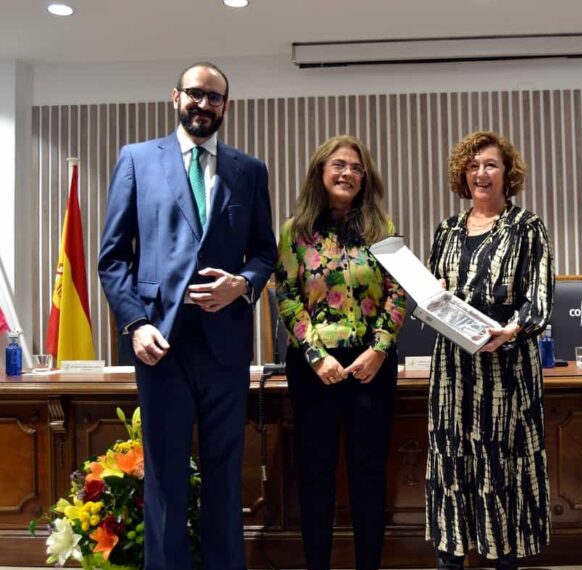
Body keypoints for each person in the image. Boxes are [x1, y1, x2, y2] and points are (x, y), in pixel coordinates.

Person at [98, 62, 277, 570]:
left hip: (225, 348)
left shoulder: (249, 170)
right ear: (175, 96)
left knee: (224, 478)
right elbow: (113, 259)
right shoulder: (136, 160)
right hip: (161, 346)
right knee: (165, 478)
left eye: (215, 97)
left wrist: (241, 284)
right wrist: (135, 324)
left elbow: (265, 252)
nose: (204, 104)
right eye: (195, 94)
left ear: (226, 106)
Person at [274, 135, 406, 570]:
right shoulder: (295, 231)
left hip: (371, 367)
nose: (347, 172)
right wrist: (316, 357)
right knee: (316, 475)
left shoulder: (381, 229)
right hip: (315, 371)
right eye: (338, 165)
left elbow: (399, 292)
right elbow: (288, 296)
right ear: (321, 172)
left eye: (356, 167)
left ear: (365, 178)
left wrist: (379, 351)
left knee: (368, 475)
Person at [425, 131, 554, 570]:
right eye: (474, 165)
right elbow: (428, 290)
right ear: (464, 173)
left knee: (501, 467)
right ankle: (451, 558)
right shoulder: (445, 230)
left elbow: (539, 297)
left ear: (507, 173)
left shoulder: (527, 227)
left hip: (505, 365)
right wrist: (432, 292)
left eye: (491, 165)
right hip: (452, 368)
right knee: (450, 460)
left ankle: (504, 561)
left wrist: (513, 328)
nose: (481, 172)